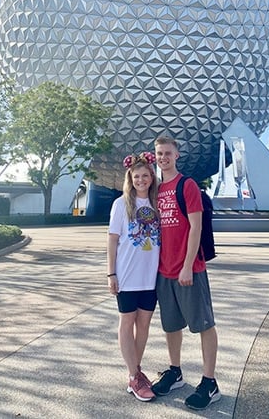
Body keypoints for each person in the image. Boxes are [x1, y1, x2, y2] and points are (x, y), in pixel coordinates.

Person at [151, 136, 221, 410]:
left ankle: (209, 381)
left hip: (188, 269)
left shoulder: (187, 185)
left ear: (177, 155)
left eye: (167, 153)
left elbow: (196, 226)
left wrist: (188, 265)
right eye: (159, 153)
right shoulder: (157, 190)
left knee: (204, 324)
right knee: (171, 325)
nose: (163, 157)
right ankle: (175, 371)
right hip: (163, 270)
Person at [107, 152, 160, 402]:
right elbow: (112, 240)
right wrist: (111, 273)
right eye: (136, 176)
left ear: (151, 177)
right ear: (130, 178)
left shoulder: (157, 203)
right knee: (127, 323)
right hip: (127, 275)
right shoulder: (121, 204)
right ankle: (133, 375)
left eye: (145, 175)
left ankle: (136, 372)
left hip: (150, 276)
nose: (141, 179)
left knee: (144, 325)